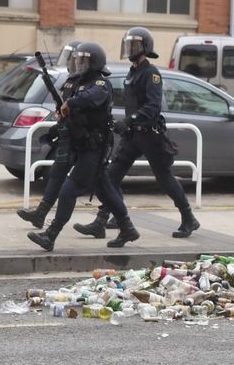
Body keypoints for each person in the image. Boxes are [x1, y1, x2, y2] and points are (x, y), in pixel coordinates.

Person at [73, 26, 200, 240]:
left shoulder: (151, 74)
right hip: (133, 135)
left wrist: (130, 120)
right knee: (111, 175)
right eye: (129, 44)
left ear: (146, 48)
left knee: (164, 178)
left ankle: (188, 218)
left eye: (135, 45)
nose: (130, 49)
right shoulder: (133, 71)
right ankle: (101, 222)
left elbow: (152, 107)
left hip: (150, 134)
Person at [27, 42, 139, 251]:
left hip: (94, 149)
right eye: (77, 60)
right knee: (105, 190)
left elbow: (89, 99)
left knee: (69, 190)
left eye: (84, 60)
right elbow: (68, 103)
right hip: (81, 146)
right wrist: (62, 112)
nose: (79, 64)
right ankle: (127, 228)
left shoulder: (100, 84)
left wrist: (70, 104)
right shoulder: (78, 82)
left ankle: (51, 235)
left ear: (94, 63)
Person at [16, 41, 82, 229]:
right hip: (68, 135)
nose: (74, 65)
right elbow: (64, 103)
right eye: (73, 61)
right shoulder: (70, 81)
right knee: (56, 173)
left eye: (78, 61)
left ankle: (116, 220)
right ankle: (41, 213)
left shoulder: (87, 83)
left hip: (84, 139)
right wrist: (60, 114)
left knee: (103, 183)